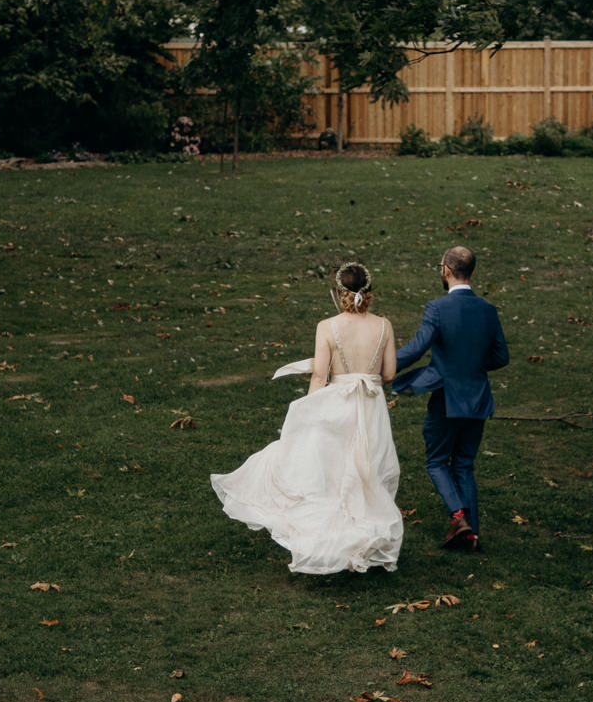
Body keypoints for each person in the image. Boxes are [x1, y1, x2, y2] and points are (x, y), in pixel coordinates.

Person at [210, 262, 404, 574]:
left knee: (333, 471)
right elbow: (390, 373)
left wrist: (309, 414)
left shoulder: (327, 327)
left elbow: (319, 375)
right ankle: (363, 542)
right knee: (366, 474)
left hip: (339, 404)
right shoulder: (384, 326)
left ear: (337, 292)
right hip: (371, 405)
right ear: (369, 291)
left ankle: (333, 540)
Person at [392, 245, 510, 553]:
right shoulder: (488, 309)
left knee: (436, 462)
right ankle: (471, 535)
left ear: (445, 270)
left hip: (446, 398)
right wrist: (471, 365)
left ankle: (458, 517)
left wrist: (385, 366)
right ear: (472, 271)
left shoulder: (437, 308)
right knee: (464, 465)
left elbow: (418, 347)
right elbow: (501, 356)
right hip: (478, 398)